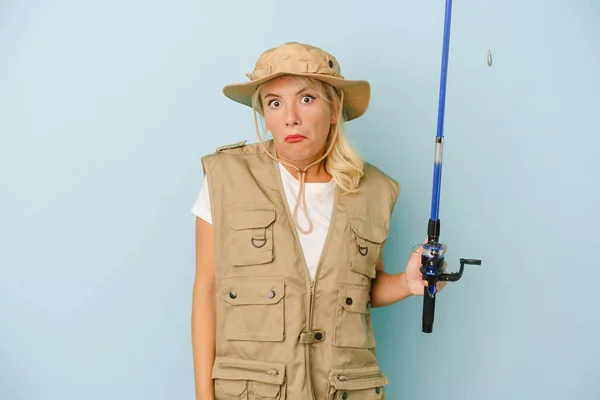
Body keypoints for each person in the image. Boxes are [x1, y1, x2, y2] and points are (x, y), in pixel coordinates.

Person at [190, 41, 447, 400]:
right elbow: (206, 290)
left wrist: (406, 282)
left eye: (307, 98)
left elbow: (360, 293)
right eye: (274, 102)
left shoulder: (374, 190)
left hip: (345, 389)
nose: (290, 116)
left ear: (333, 108)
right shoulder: (226, 178)